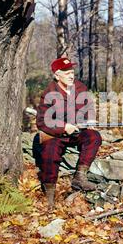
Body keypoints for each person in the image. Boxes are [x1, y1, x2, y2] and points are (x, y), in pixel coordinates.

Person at [32, 57, 102, 210]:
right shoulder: (49, 93)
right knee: (50, 153)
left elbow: (88, 107)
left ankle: (79, 177)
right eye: (67, 73)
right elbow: (42, 121)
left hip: (77, 132)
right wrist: (63, 127)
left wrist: (89, 121)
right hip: (56, 135)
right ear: (57, 75)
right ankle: (50, 196)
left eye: (72, 72)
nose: (71, 76)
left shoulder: (80, 88)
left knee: (94, 137)